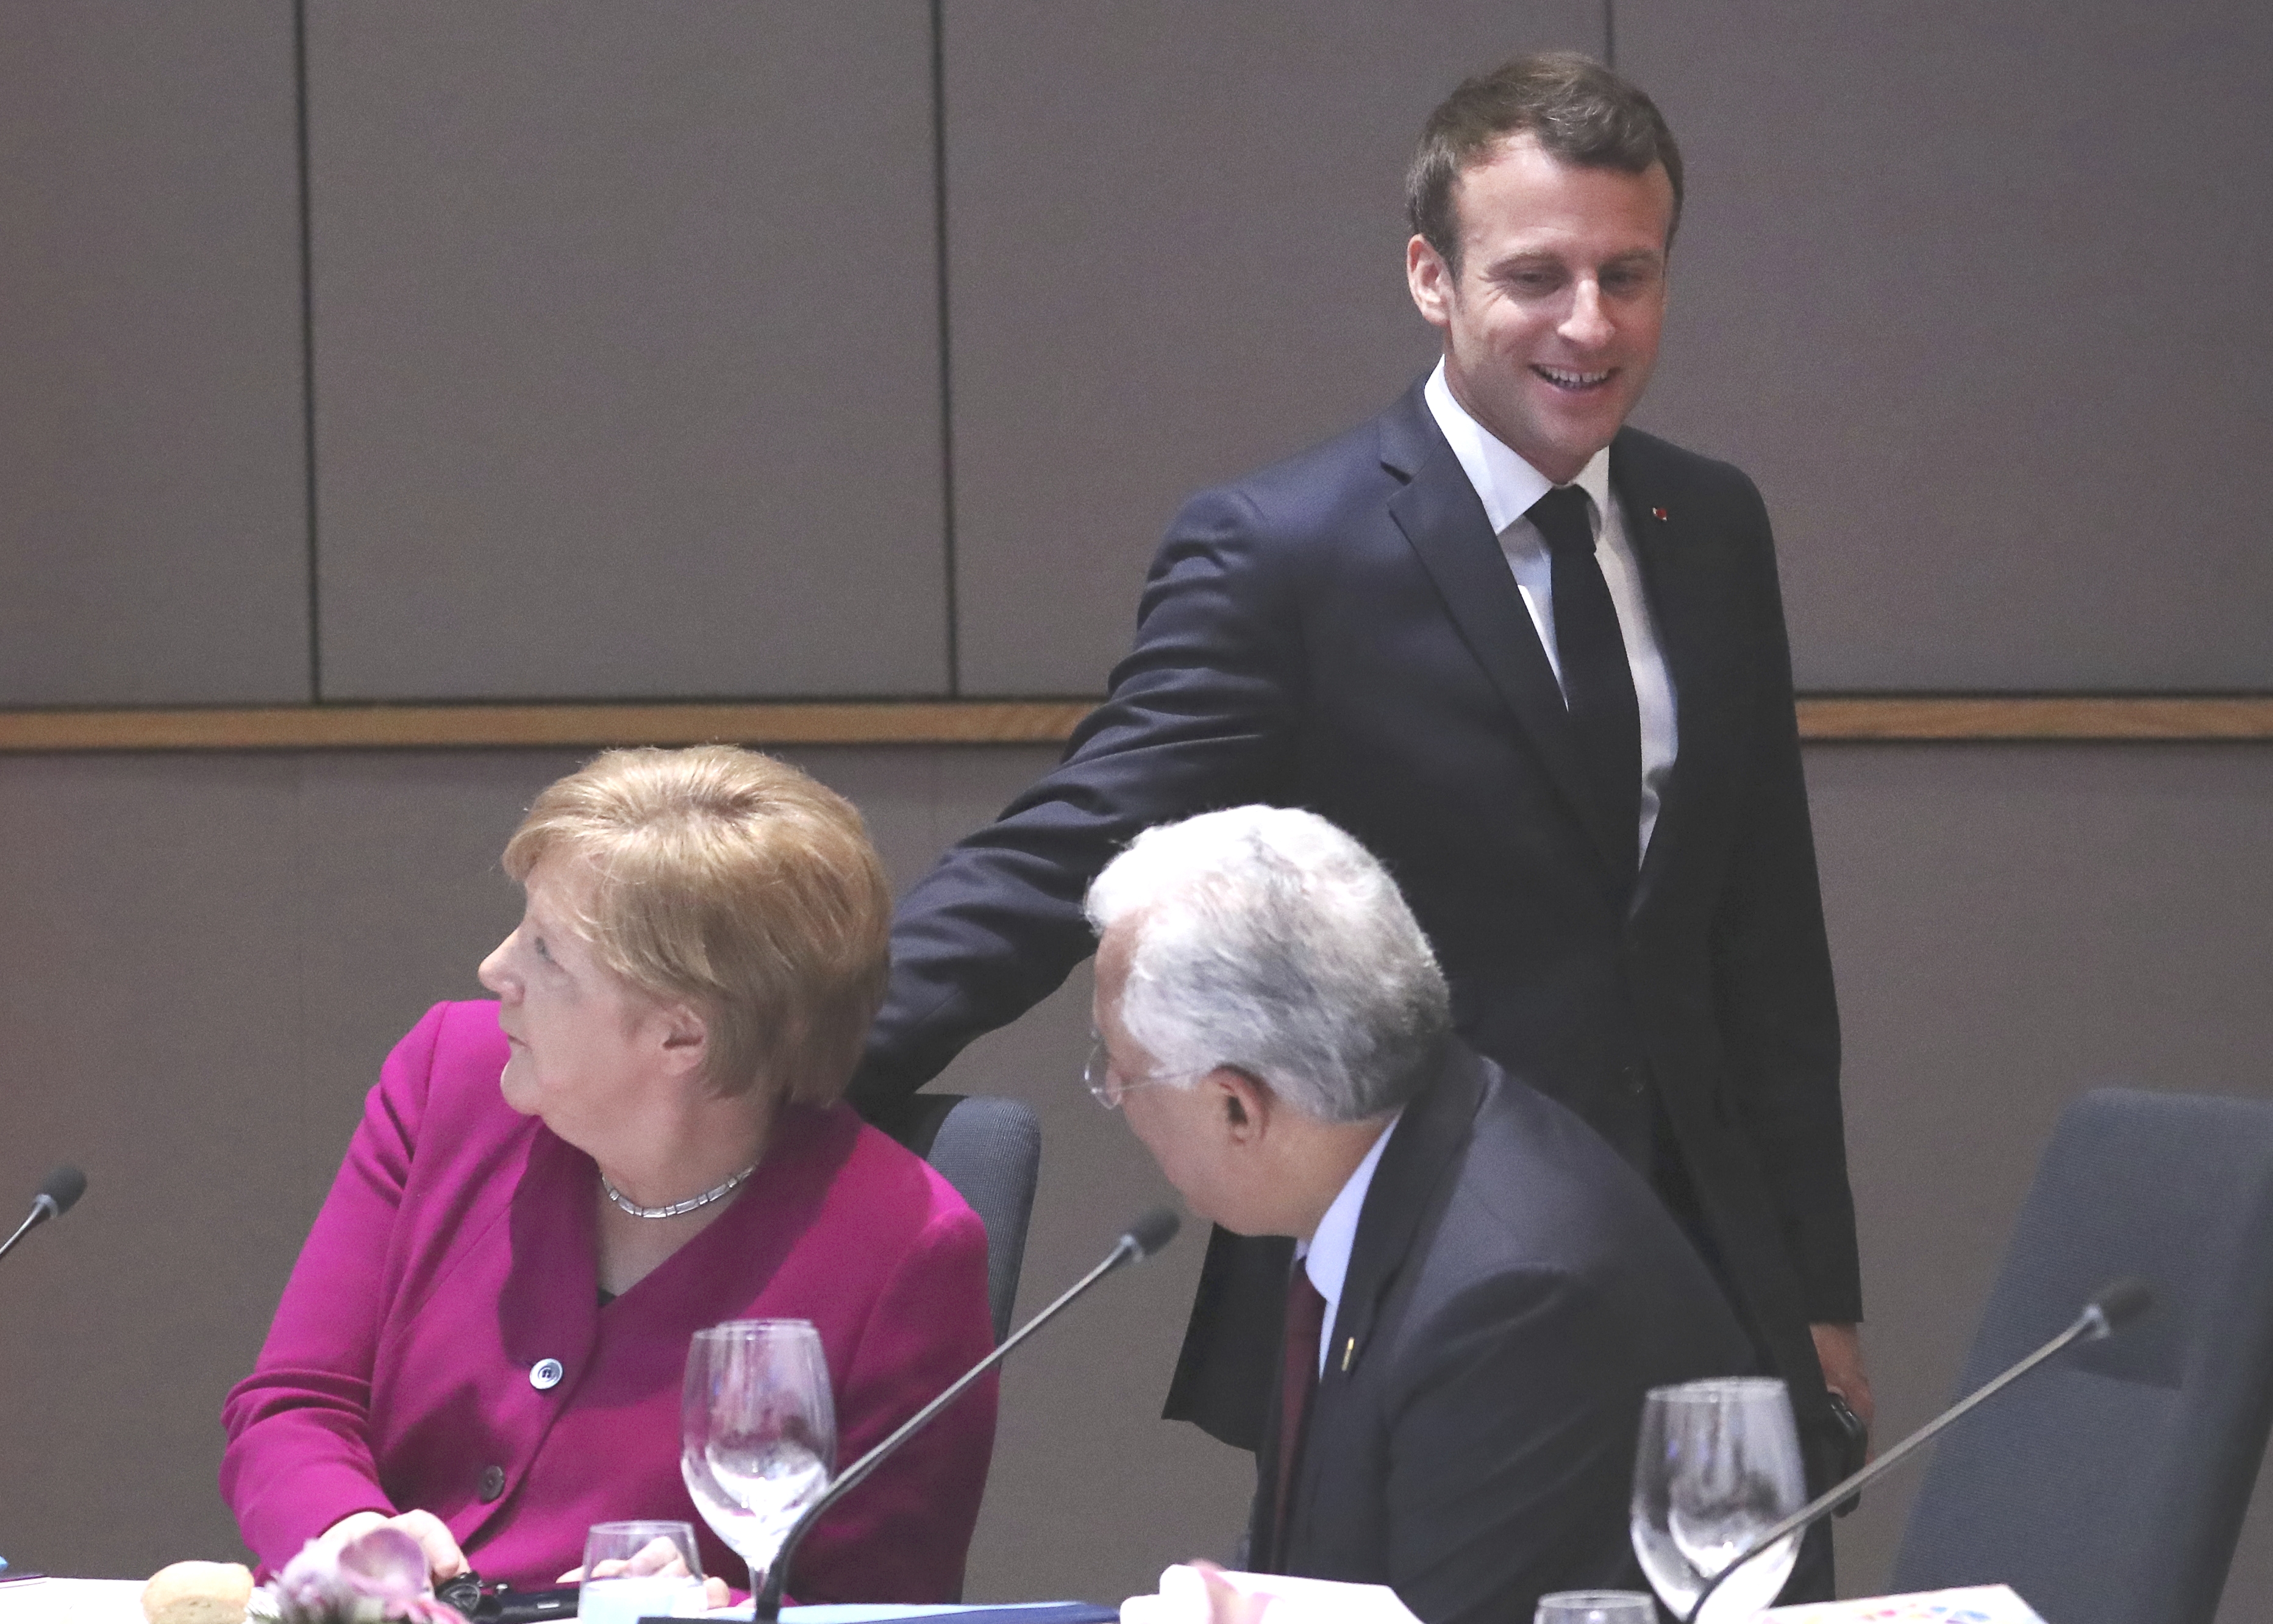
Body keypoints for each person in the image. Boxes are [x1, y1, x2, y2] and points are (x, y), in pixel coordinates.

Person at [850, 49, 1868, 1554]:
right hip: (1429, 1271)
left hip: (1704, 1273)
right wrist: (799, 1058)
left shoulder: (1708, 522)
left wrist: (1817, 1289)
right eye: (1535, 276)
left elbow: (1763, 934)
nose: (1590, 325)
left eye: (1628, 274)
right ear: (1429, 277)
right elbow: (1075, 839)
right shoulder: (1287, 550)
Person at [222, 746, 997, 1601]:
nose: (495, 970)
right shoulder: (449, 1078)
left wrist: (721, 1608)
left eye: (546, 952)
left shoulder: (906, 1250)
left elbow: (879, 1609)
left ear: (681, 1034)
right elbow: (294, 1404)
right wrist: (349, 1530)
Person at [1085, 805, 1754, 1624]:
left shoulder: (1512, 1300)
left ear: (1238, 1107)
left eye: (1124, 1072)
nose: (1112, 1092)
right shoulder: (1381, 1173)